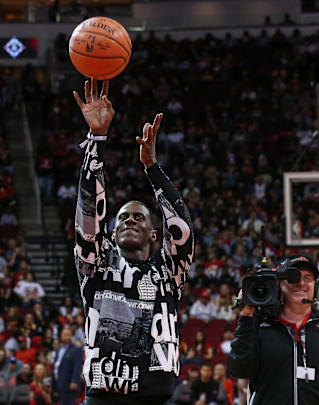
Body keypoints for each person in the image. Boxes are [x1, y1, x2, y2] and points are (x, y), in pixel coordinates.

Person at [72, 79, 194, 405]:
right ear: (110, 234)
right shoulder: (97, 264)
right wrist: (96, 139)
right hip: (103, 396)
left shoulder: (168, 271)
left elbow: (182, 227)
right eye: (122, 217)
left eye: (139, 217)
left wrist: (152, 168)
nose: (129, 219)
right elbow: (88, 214)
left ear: (156, 234)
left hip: (158, 397)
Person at [228, 255, 319, 404]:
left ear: (318, 287)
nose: (301, 283)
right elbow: (239, 370)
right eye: (293, 277)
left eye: (307, 278)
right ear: (280, 285)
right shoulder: (259, 330)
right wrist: (247, 316)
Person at [54, 327, 82, 405]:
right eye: (65, 335)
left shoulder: (76, 349)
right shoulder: (58, 349)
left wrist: (74, 381)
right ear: (61, 336)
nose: (67, 337)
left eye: (69, 335)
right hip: (59, 383)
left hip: (70, 384)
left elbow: (77, 367)